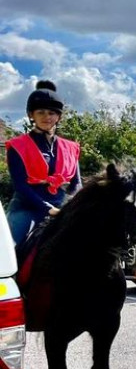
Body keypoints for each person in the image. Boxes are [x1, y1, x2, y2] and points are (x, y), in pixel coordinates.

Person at [5, 80, 81, 247]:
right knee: (7, 249)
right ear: (31, 115)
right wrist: (47, 208)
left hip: (63, 208)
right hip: (27, 208)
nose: (47, 117)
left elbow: (76, 184)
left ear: (58, 116)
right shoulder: (17, 146)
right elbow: (21, 187)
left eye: (52, 113)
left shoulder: (71, 148)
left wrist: (70, 207)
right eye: (41, 112)